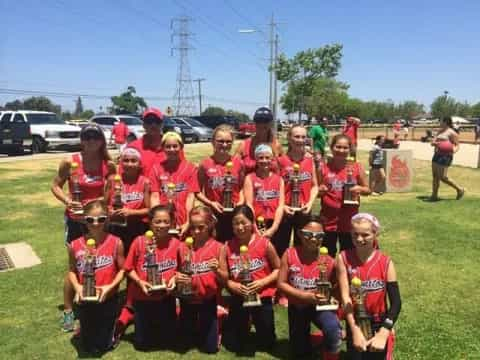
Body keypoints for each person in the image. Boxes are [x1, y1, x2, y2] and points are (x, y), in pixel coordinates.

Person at [51, 123, 116, 332]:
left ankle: (97, 300)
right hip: (76, 220)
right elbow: (55, 186)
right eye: (87, 137)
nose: (91, 141)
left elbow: (109, 193)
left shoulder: (108, 163)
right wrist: (68, 201)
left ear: (102, 140)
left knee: (101, 262)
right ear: (81, 139)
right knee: (74, 266)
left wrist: (99, 202)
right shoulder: (70, 161)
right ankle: (69, 312)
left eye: (95, 137)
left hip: (98, 222)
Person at [336, 213, 401, 359]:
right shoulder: (343, 258)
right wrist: (354, 330)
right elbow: (345, 298)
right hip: (355, 319)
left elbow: (396, 303)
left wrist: (385, 331)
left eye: (365, 235)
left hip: (379, 322)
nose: (359, 239)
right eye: (355, 235)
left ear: (375, 234)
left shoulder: (386, 262)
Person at [277, 216, 341, 359]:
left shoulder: (329, 262)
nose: (313, 239)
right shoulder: (289, 254)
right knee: (300, 353)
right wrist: (305, 296)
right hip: (298, 306)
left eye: (319, 236)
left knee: (332, 329)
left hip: (319, 307)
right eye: (308, 234)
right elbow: (281, 284)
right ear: (299, 234)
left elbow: (337, 286)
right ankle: (313, 341)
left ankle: (329, 352)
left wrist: (334, 298)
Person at [219, 205, 280, 353]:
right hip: (239, 296)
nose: (240, 227)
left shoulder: (264, 243)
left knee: (267, 344)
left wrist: (262, 282)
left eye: (244, 222)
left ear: (252, 223)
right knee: (234, 344)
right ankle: (235, 323)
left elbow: (279, 269)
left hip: (262, 296)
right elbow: (224, 277)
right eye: (236, 223)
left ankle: (255, 322)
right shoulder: (227, 247)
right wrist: (232, 285)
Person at [105, 147, 151, 340]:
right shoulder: (113, 180)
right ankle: (110, 306)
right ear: (120, 162)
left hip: (137, 230)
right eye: (126, 160)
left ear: (139, 164)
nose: (130, 164)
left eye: (134, 161)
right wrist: (112, 211)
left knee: (134, 270)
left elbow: (150, 209)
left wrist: (131, 212)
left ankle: (131, 307)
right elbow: (105, 204)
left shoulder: (145, 181)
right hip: (116, 230)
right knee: (115, 268)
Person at [68, 200, 125, 354]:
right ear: (83, 219)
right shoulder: (75, 245)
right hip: (86, 299)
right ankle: (85, 329)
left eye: (101, 219)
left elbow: (123, 270)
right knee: (87, 346)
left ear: (107, 219)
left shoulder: (116, 242)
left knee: (104, 346)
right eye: (90, 219)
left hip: (108, 298)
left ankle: (113, 331)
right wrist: (78, 287)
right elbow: (72, 271)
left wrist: (110, 287)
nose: (95, 223)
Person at [124, 205, 179, 350]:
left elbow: (182, 270)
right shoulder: (139, 242)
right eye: (158, 221)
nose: (162, 226)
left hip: (165, 298)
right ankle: (131, 317)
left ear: (172, 223)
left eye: (166, 222)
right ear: (150, 223)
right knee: (142, 345)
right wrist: (140, 282)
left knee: (167, 342)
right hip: (143, 298)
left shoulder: (177, 244)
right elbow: (128, 269)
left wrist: (175, 279)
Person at [176, 206, 225, 354]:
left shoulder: (219, 247)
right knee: (184, 344)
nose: (196, 231)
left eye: (201, 227)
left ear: (210, 225)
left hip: (207, 299)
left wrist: (217, 270)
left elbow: (225, 279)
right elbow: (176, 272)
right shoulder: (183, 247)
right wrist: (177, 277)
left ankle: (220, 321)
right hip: (187, 298)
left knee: (210, 349)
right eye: (193, 227)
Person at [318, 134, 370, 257]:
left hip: (349, 221)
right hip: (328, 221)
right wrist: (320, 190)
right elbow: (316, 191)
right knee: (327, 255)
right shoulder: (324, 168)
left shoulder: (356, 167)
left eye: (345, 147)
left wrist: (359, 189)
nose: (341, 150)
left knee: (348, 255)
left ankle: (346, 276)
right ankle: (329, 276)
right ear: (331, 148)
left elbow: (368, 189)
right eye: (338, 147)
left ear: (350, 149)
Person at [197, 125, 245, 242]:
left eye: (228, 141)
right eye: (220, 141)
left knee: (234, 246)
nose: (224, 144)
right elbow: (197, 191)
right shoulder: (205, 164)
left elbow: (242, 187)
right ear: (213, 142)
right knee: (215, 245)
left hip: (234, 213)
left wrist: (240, 202)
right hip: (213, 213)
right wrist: (211, 203)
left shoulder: (238, 163)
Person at [277, 125, 319, 258]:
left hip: (304, 210)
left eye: (303, 137)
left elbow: (315, 186)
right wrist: (282, 206)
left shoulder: (309, 160)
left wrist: (310, 203)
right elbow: (274, 187)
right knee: (281, 246)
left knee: (302, 247)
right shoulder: (280, 161)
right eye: (296, 136)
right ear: (289, 138)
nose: (300, 140)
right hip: (285, 211)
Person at [149, 132, 199, 235]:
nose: (172, 149)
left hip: (183, 219)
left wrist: (188, 221)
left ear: (181, 147)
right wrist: (157, 220)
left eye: (175, 146)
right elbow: (155, 196)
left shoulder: (190, 168)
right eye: (168, 146)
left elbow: (190, 196)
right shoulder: (156, 169)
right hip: (163, 221)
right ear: (163, 148)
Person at [243, 144, 285, 240]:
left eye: (267, 157)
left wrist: (274, 227)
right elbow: (249, 205)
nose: (264, 161)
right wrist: (254, 226)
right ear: (256, 159)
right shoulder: (250, 178)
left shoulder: (279, 180)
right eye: (261, 158)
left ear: (272, 159)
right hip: (257, 222)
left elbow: (280, 206)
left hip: (275, 222)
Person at [235, 106, 283, 174]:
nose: (262, 124)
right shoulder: (244, 145)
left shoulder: (277, 145)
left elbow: (284, 167)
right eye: (259, 121)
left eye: (266, 121)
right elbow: (233, 166)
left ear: (271, 123)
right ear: (254, 123)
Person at [430, 116, 465, 201]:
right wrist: (434, 143)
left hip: (445, 156)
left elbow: (457, 145)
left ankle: (460, 189)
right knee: (435, 176)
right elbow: (433, 142)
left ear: (446, 122)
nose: (440, 123)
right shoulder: (440, 131)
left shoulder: (452, 133)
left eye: (441, 121)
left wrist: (453, 151)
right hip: (437, 154)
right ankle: (434, 195)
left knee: (442, 177)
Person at [128, 108, 165, 176]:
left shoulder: (171, 147)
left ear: (162, 124)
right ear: (143, 125)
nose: (153, 125)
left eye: (157, 121)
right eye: (149, 121)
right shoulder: (133, 148)